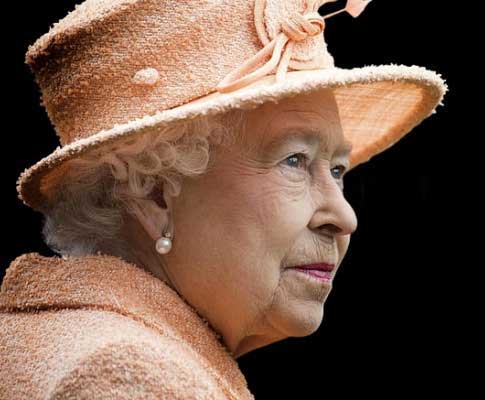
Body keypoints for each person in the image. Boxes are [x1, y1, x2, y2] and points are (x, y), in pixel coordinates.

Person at [0, 0, 447, 398]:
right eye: (295, 160)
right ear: (154, 193)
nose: (344, 217)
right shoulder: (134, 378)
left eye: (337, 170)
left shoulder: (54, 335)